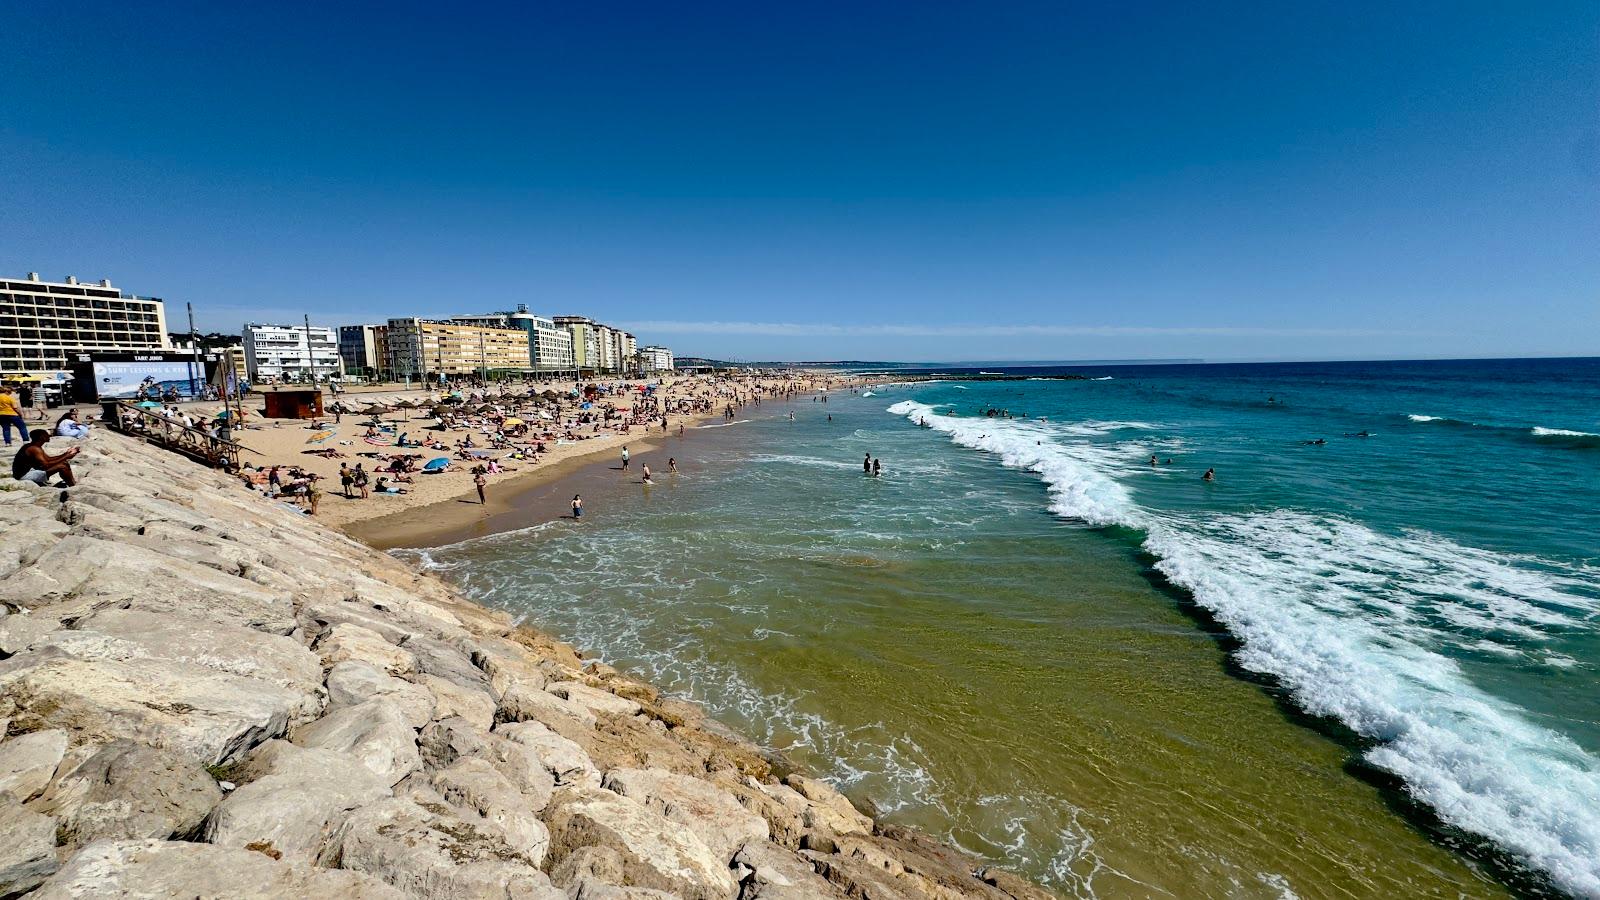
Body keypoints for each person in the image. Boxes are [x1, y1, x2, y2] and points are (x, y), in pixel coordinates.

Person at [13, 429, 79, 486]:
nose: (49, 436)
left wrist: (66, 454)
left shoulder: (34, 446)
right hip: (23, 476)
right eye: (46, 435)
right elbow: (46, 465)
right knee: (62, 466)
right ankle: (72, 485)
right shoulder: (34, 449)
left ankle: (72, 482)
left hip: (27, 471)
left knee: (64, 462)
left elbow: (48, 459)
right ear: (42, 437)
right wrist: (66, 457)